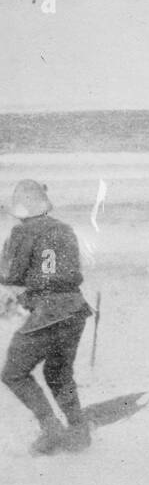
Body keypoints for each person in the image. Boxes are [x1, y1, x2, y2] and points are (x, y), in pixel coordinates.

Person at [1, 180, 94, 454]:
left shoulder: (21, 232)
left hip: (47, 315)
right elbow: (67, 271)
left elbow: (11, 275)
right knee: (58, 372)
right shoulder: (65, 229)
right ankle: (78, 431)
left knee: (14, 374)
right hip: (75, 310)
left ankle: (50, 428)